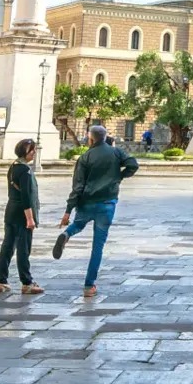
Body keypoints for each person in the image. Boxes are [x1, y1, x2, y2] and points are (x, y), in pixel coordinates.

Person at [53, 125, 138, 297]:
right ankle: (88, 286)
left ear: (90, 139)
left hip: (87, 201)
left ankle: (67, 234)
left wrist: (68, 210)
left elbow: (77, 186)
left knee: (78, 224)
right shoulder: (116, 152)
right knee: (97, 247)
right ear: (105, 137)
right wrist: (119, 176)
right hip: (107, 203)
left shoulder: (85, 157)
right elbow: (133, 164)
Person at [0, 139, 44, 295]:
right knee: (24, 248)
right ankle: (27, 282)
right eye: (32, 151)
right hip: (22, 214)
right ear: (26, 152)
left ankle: (2, 281)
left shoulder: (13, 167)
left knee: (7, 247)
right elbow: (26, 196)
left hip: (11, 211)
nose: (34, 153)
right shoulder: (25, 170)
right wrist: (30, 218)